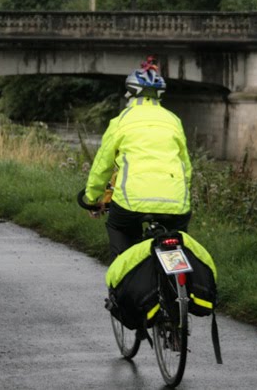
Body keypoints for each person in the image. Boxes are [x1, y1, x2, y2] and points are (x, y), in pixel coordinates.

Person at [82, 57, 193, 257]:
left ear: (130, 93)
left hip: (130, 204)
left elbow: (103, 166)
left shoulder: (120, 121)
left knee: (121, 235)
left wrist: (92, 198)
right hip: (176, 203)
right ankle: (182, 281)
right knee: (179, 248)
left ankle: (124, 282)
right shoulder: (173, 121)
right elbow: (186, 168)